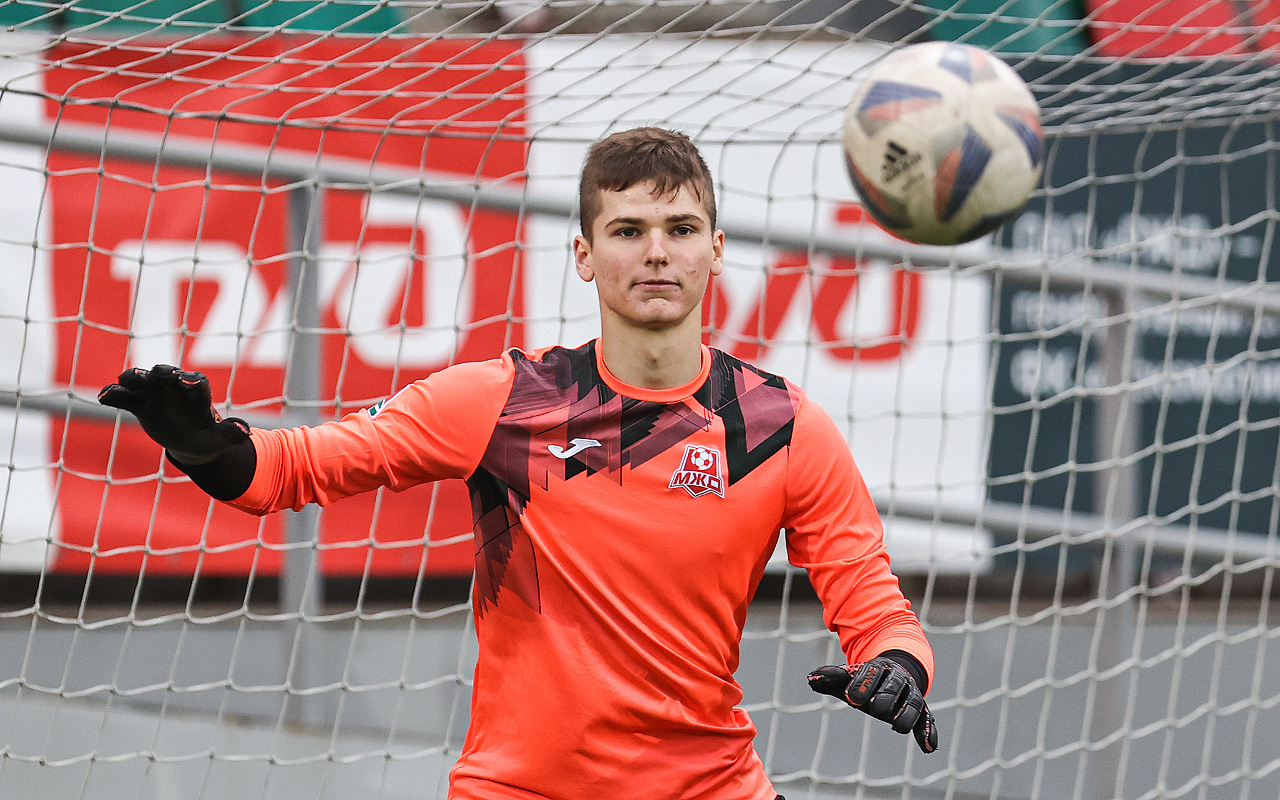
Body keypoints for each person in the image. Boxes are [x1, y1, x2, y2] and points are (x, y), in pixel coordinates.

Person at [99, 127, 938, 799]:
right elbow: (292, 471)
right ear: (584, 255)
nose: (657, 252)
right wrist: (201, 444)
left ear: (715, 249)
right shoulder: (504, 400)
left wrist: (898, 668)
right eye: (628, 231)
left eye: (680, 229)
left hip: (710, 785)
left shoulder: (782, 426)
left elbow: (873, 603)